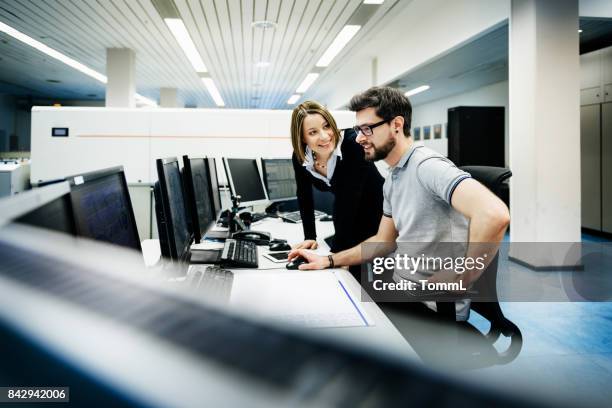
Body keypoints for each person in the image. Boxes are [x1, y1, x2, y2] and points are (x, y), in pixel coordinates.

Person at [288, 87, 510, 320]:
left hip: (430, 308)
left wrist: (462, 275)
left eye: (367, 129)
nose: (360, 138)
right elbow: (383, 242)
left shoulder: (427, 166)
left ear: (396, 125)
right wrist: (329, 260)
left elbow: (494, 214)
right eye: (358, 129)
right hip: (400, 291)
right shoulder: (394, 177)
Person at [289, 100, 384, 277]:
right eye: (313, 132)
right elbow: (304, 195)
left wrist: (334, 256)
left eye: (327, 126)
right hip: (350, 214)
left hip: (379, 211)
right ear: (303, 138)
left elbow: (348, 201)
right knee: (348, 274)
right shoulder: (301, 157)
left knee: (366, 277)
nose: (324, 136)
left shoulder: (352, 145)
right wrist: (310, 236)